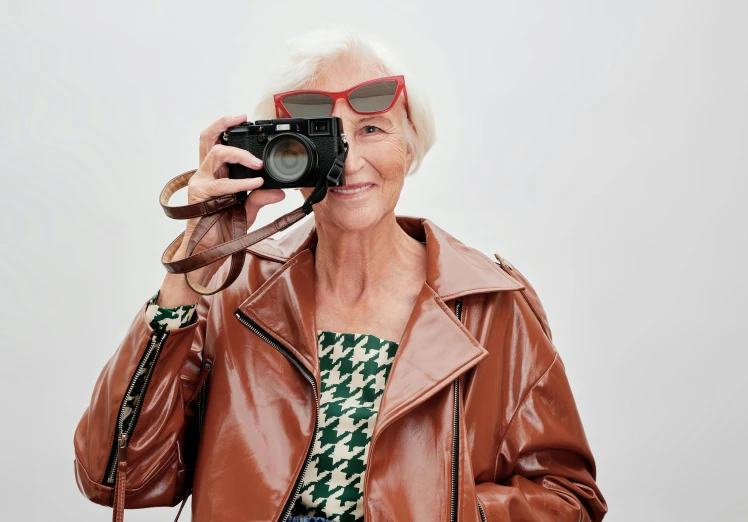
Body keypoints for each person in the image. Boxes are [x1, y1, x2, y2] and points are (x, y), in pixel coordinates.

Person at [73, 27, 608, 522]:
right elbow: (119, 476)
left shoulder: (493, 307)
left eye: (372, 128)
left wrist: (432, 509)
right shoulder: (236, 292)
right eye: (322, 138)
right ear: (276, 155)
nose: (348, 162)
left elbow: (570, 499)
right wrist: (193, 269)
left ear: (409, 142)